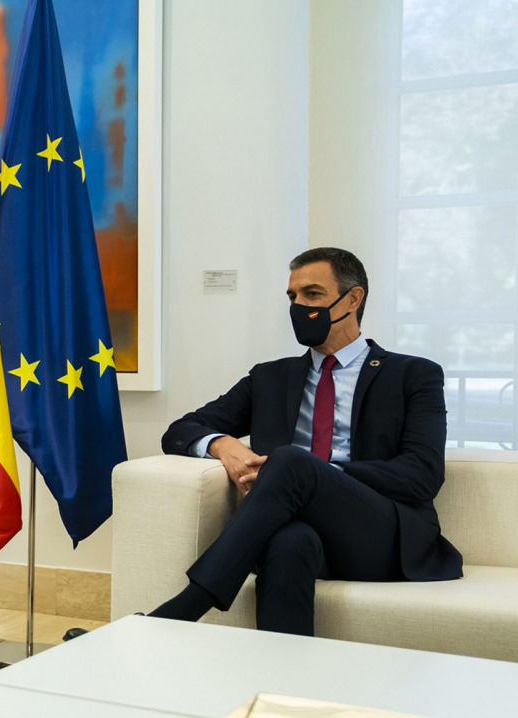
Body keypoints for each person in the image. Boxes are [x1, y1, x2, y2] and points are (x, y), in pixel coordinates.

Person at [147, 247, 463, 635]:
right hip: (302, 531)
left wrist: (318, 474)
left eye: (312, 294)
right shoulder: (269, 378)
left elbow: (423, 474)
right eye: (292, 296)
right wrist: (221, 444)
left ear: (353, 299)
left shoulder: (413, 375)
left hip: (380, 535)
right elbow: (180, 430)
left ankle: (184, 609)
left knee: (290, 461)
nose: (299, 306)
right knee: (288, 541)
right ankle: (286, 668)